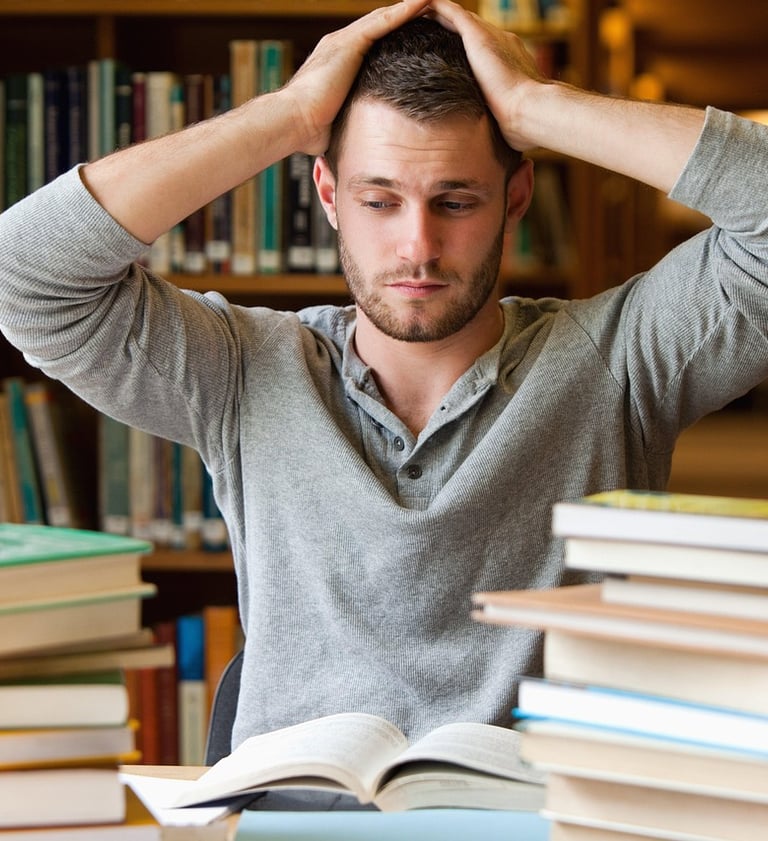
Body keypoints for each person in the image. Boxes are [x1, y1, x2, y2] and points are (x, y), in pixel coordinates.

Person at [1, 0, 767, 756]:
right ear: (328, 196)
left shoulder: (620, 360)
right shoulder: (243, 370)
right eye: (379, 200)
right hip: (294, 808)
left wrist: (537, 105)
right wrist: (290, 114)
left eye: (456, 201)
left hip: (530, 810)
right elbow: (23, 275)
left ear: (516, 198)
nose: (417, 247)